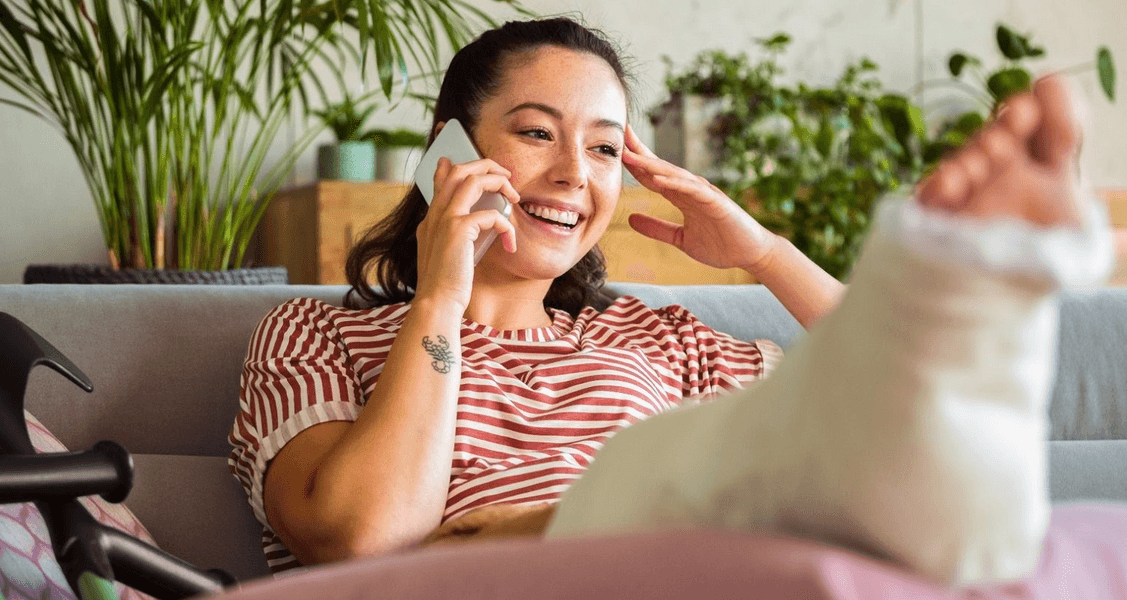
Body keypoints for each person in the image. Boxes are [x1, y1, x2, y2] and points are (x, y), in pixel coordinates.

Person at [228, 16, 1112, 586]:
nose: (575, 172)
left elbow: (890, 397)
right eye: (536, 132)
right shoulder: (314, 334)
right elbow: (360, 539)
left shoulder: (658, 339)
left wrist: (762, 253)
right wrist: (441, 298)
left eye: (606, 149)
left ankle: (956, 294)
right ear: (447, 151)